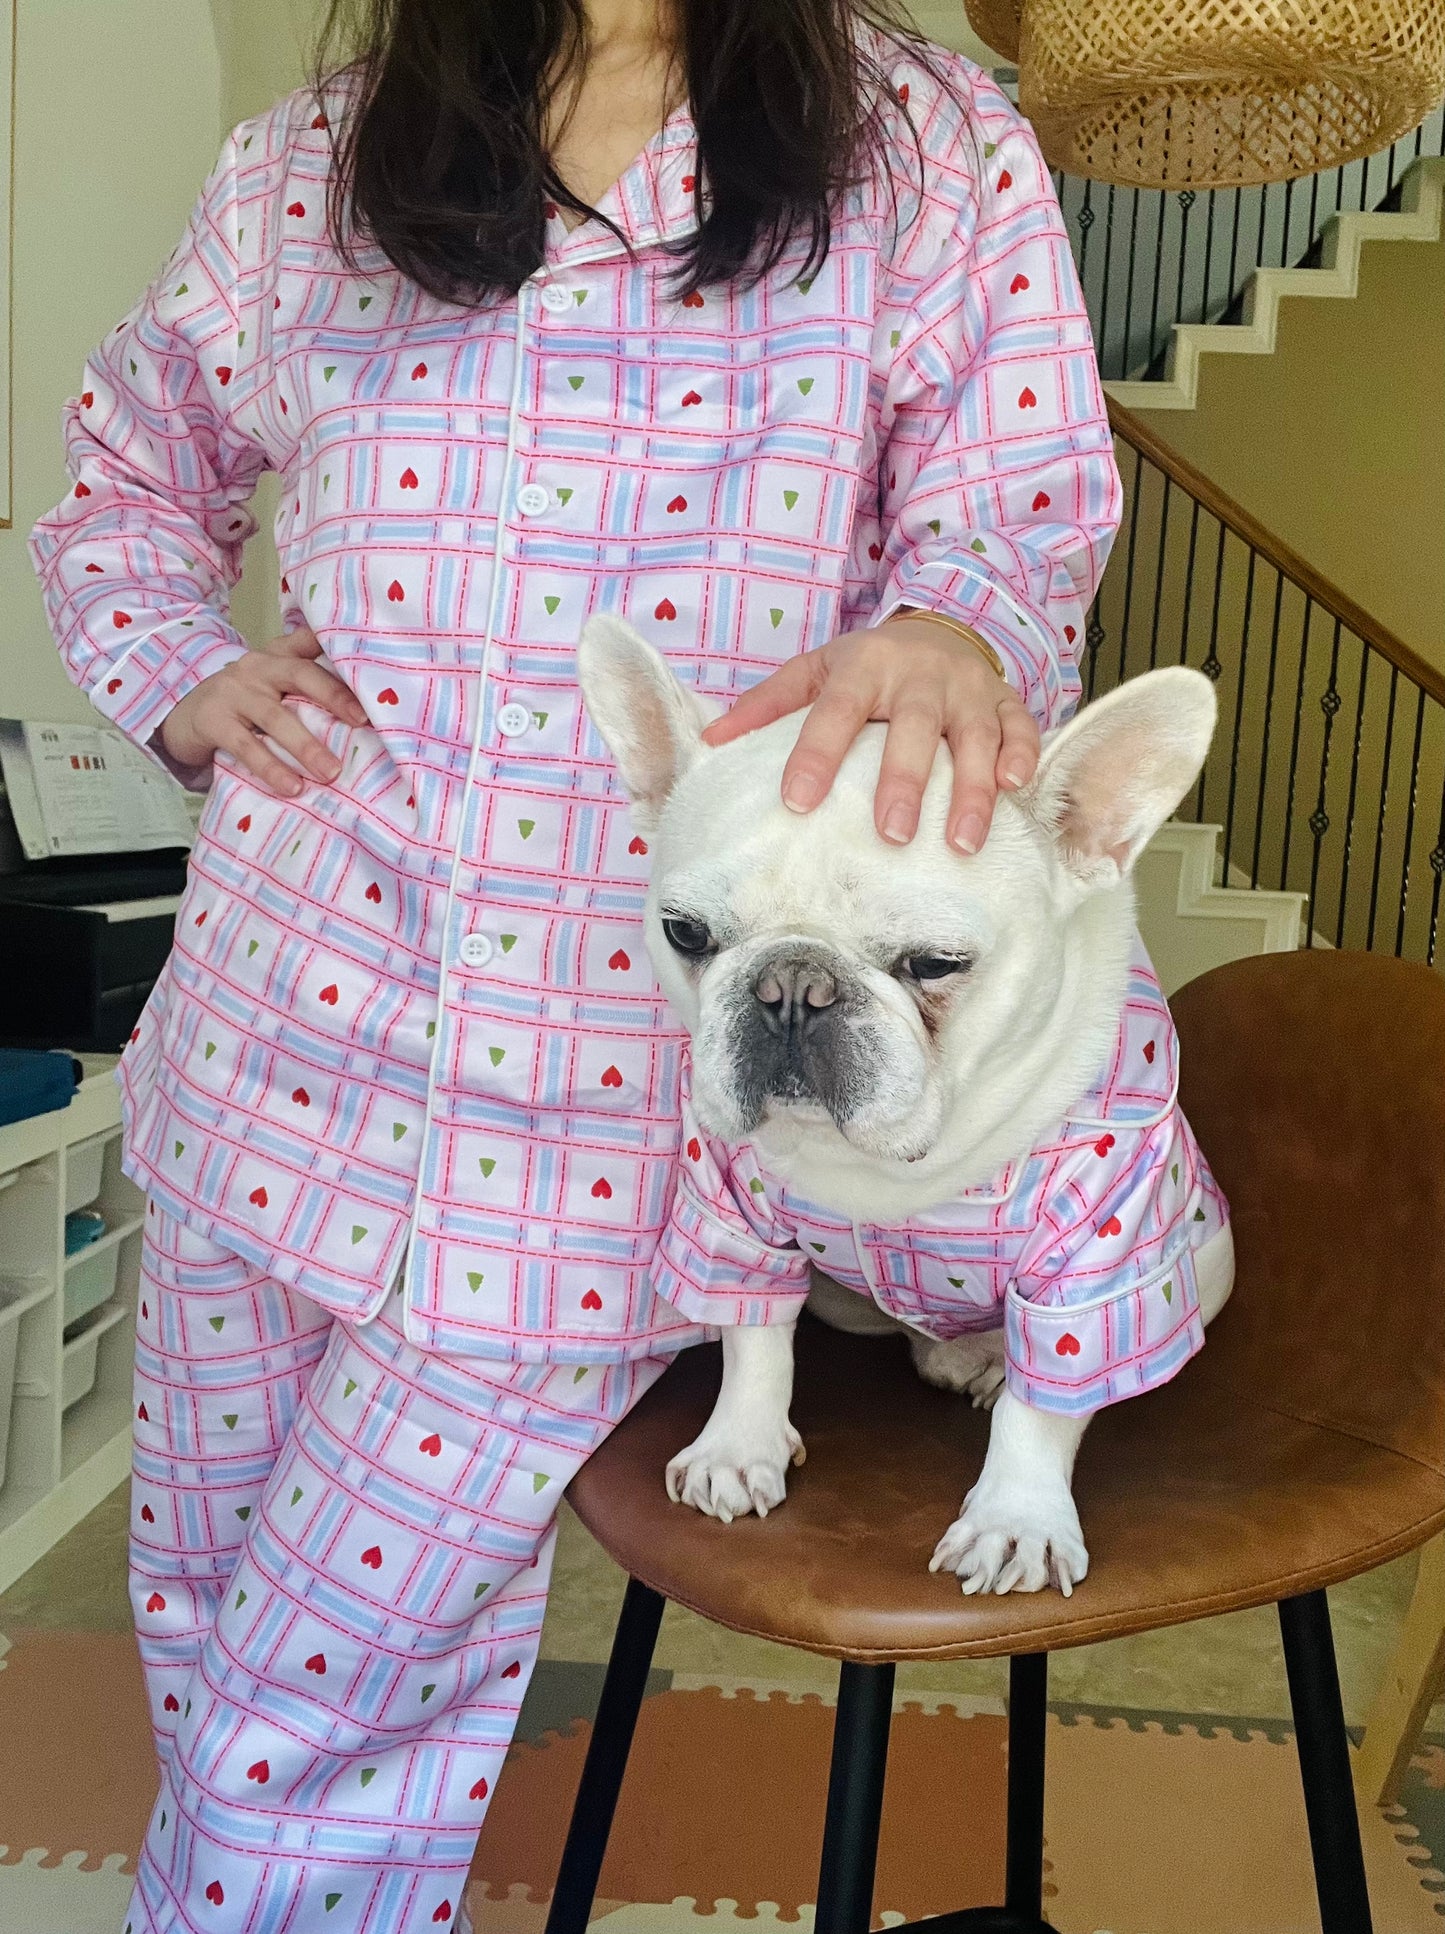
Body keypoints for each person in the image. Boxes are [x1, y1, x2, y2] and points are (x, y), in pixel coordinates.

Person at [31, 0, 1120, 1926]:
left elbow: (1014, 511)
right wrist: (181, 672)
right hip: (270, 1035)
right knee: (200, 1614)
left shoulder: (930, 148)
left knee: (325, 1697)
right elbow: (127, 471)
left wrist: (953, 626)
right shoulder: (309, 165)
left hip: (594, 1119)